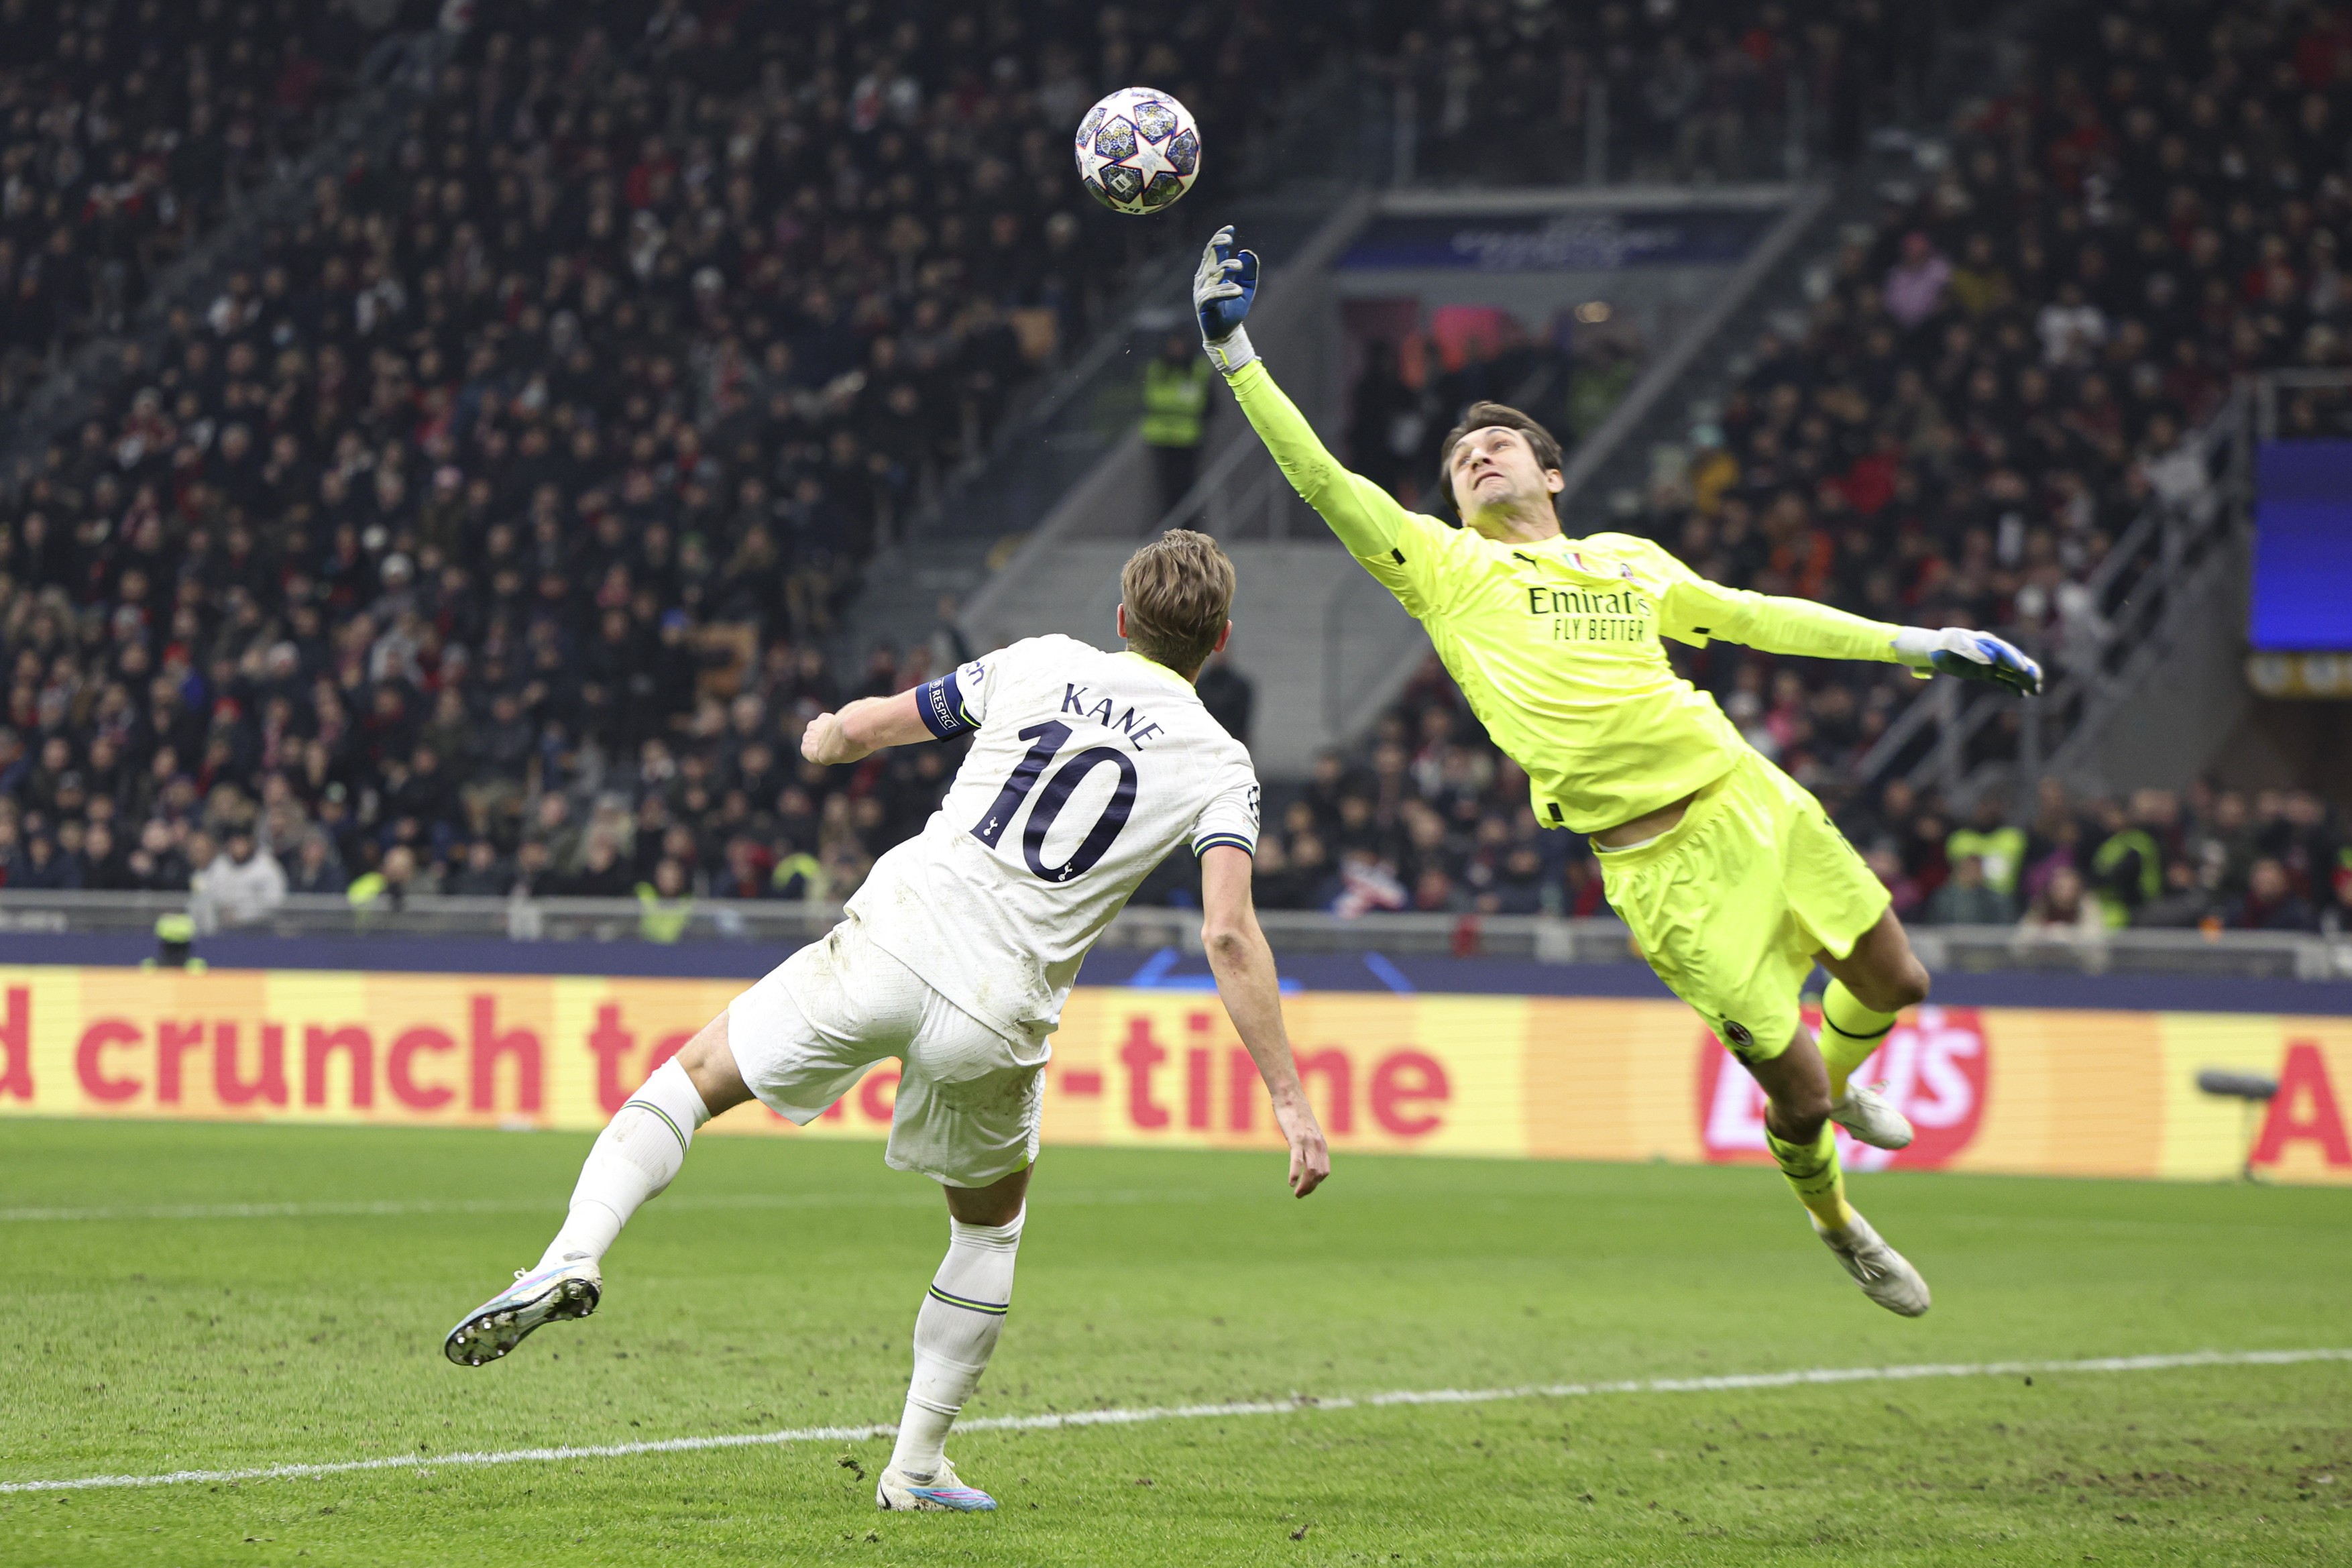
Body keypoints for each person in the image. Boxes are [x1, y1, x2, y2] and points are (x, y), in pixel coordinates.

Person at [1194, 224, 2045, 1317]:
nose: (1479, 457)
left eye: (1499, 445)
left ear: (1551, 472)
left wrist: (1919, 642)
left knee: (1898, 981)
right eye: (1462, 460)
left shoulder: (1630, 561)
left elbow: (1753, 618)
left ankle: (1843, 1084)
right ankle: (1834, 1217)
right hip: (1659, 863)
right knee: (1786, 1087)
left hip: (1750, 794)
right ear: (1451, 504)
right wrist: (1236, 355)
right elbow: (1318, 476)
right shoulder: (1446, 569)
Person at [443, 530, 1329, 1513]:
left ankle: (572, 1251)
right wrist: (1289, 1102)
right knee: (988, 1230)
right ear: (1220, 642)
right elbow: (1228, 935)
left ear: (1119, 619)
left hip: (894, 937)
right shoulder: (1221, 763)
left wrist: (822, 733)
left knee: (689, 1080)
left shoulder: (1038, 660)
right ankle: (913, 1466)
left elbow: (872, 726)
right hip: (999, 1013)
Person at [1141, 330, 1212, 512]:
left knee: (1187, 488)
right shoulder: (1158, 367)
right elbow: (1151, 398)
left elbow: (1206, 403)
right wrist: (1182, 403)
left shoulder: (1197, 368)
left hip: (1188, 438)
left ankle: (1187, 528)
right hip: (1161, 437)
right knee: (1164, 489)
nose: (1176, 349)